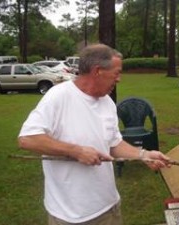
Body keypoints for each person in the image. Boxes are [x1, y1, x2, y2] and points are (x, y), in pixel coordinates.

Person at [18, 43, 170, 225]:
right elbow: (27, 139)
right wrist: (76, 151)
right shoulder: (58, 96)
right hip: (70, 216)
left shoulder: (108, 103)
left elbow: (114, 144)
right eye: (116, 73)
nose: (119, 79)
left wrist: (143, 155)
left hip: (109, 208)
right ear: (97, 71)